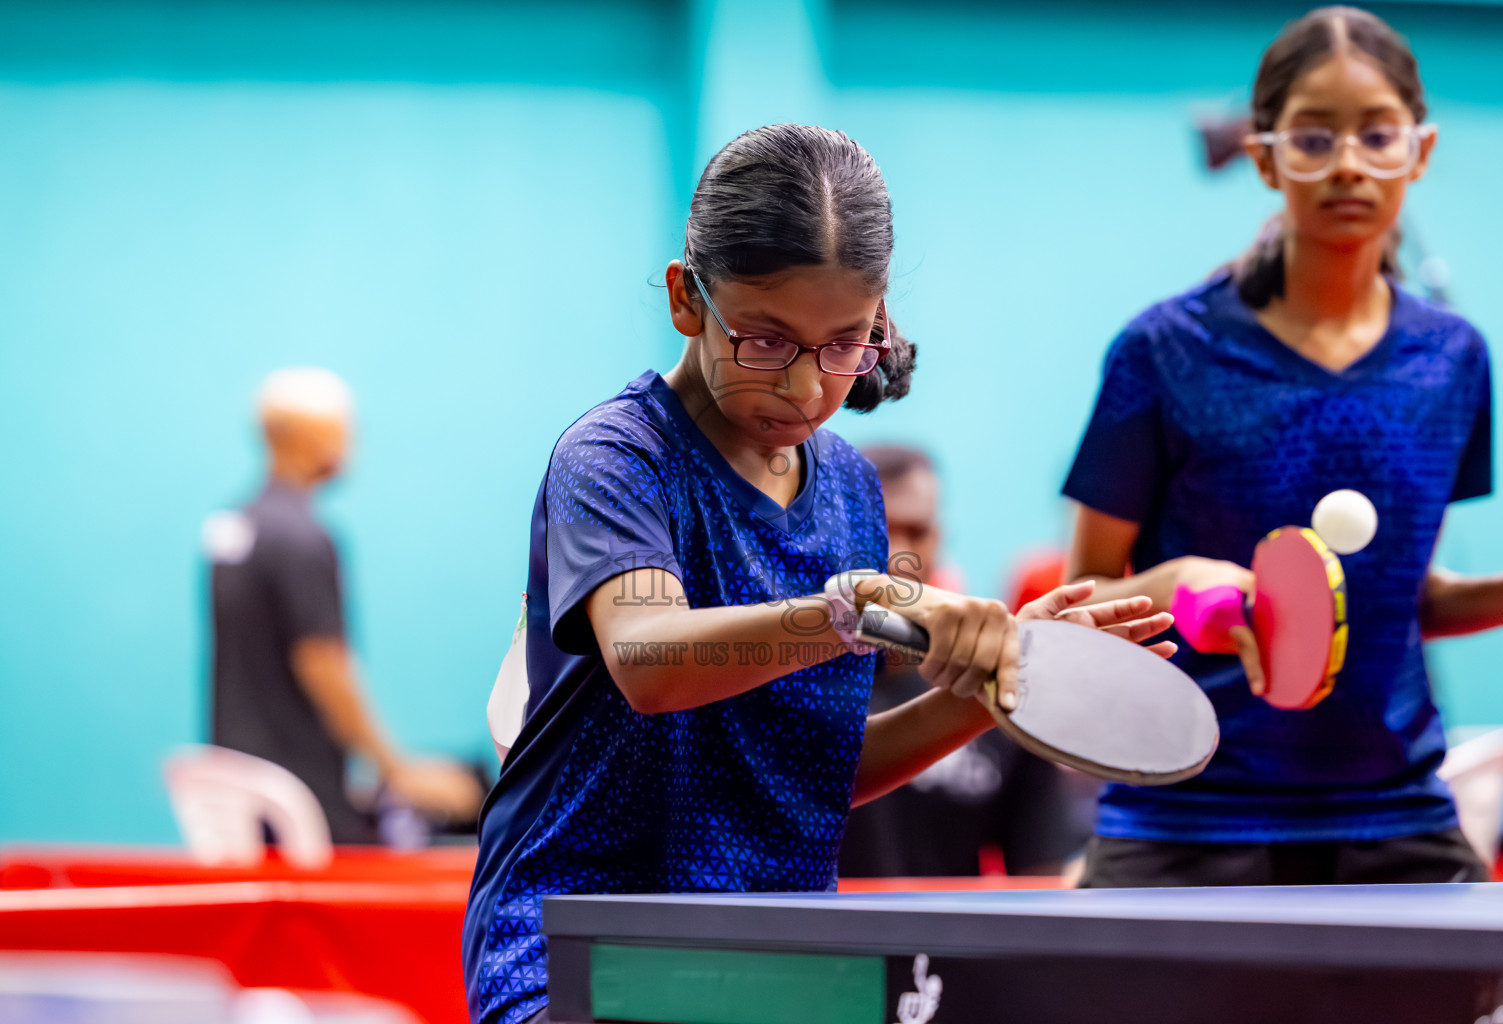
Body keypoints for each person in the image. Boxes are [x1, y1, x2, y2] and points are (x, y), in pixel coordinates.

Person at [462, 124, 1171, 1024]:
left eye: (846, 344)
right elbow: (650, 660)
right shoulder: (616, 459)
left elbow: (810, 769)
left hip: (778, 953)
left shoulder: (849, 488)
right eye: (764, 341)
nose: (806, 388)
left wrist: (996, 690)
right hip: (587, 943)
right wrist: (852, 607)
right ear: (687, 299)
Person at [1062, 7, 1503, 888]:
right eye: (1315, 137)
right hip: (1183, 816)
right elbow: (1082, 600)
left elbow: (1404, 601)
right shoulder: (1163, 351)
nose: (1349, 163)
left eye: (1378, 135)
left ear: (1419, 151)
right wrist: (1177, 589)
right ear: (1266, 156)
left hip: (1396, 817)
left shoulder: (1453, 358)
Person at [207, 367, 483, 844]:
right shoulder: (304, 540)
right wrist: (399, 769)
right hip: (299, 800)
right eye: (344, 427)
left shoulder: (234, 530)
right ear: (312, 434)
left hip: (236, 788)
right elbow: (324, 667)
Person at [838, 446, 1088, 877]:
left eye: (914, 531)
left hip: (949, 942)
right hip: (806, 940)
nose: (896, 552)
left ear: (938, 539)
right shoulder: (781, 683)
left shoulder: (1000, 684)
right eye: (876, 528)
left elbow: (1039, 875)